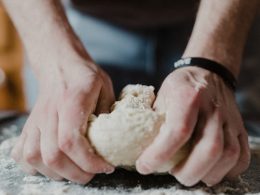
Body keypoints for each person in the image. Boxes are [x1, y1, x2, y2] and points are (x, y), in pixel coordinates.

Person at [2, 0, 259, 187]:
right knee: (62, 138)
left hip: (224, 18)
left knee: (219, 146)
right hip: (73, 22)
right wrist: (54, 59)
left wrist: (213, 62)